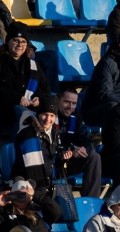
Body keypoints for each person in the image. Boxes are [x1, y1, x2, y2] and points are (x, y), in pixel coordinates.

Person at [14, 95, 63, 224]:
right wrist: (38, 194)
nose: (48, 119)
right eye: (45, 114)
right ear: (38, 114)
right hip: (30, 184)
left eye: (52, 115)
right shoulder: (28, 134)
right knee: (56, 212)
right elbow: (32, 171)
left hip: (47, 184)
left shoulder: (54, 132)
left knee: (62, 215)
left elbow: (52, 159)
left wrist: (63, 156)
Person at [56, 87, 102, 198]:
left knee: (94, 157)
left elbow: (85, 138)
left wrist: (84, 149)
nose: (70, 106)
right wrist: (72, 149)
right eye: (66, 102)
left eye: (74, 103)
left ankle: (91, 201)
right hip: (55, 160)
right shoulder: (50, 116)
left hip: (70, 160)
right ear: (58, 100)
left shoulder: (75, 116)